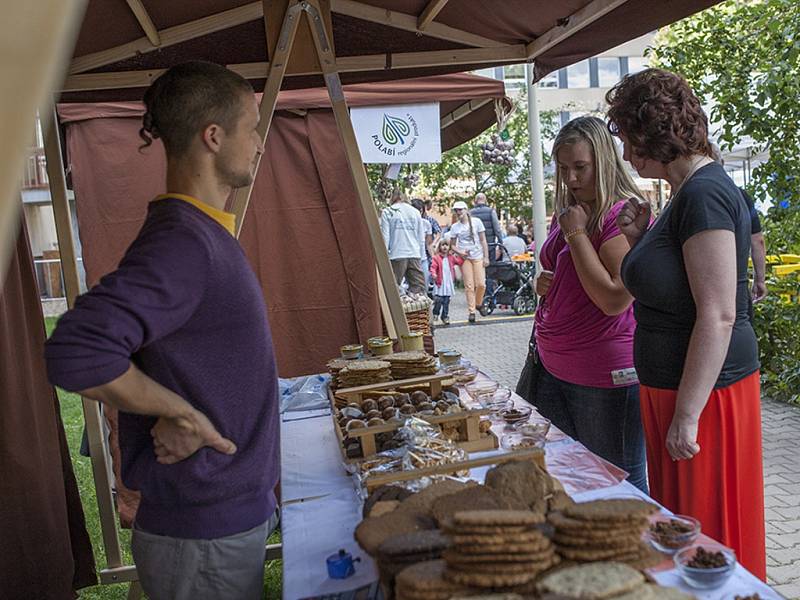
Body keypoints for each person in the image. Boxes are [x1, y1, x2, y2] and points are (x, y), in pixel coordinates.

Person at [44, 61, 280, 599]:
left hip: (218, 522)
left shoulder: (201, 234)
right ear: (213, 136)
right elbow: (75, 350)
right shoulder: (184, 242)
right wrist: (178, 411)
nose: (261, 143)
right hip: (201, 533)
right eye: (254, 125)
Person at [607, 68, 765, 579]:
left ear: (654, 135)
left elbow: (718, 314)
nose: (627, 156)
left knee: (708, 536)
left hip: (703, 396)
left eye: (630, 141)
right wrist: (640, 239)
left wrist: (688, 414)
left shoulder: (704, 194)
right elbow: (674, 287)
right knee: (685, 535)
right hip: (678, 391)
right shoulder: (687, 194)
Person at [521, 116, 648, 493]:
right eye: (563, 169)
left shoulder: (619, 216)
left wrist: (575, 233)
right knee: (575, 480)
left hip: (603, 375)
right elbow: (571, 272)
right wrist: (544, 282)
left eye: (580, 167)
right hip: (559, 368)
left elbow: (613, 298)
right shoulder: (576, 209)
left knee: (618, 485)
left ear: (604, 162)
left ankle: (635, 552)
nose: (571, 179)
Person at [710, 145, 768, 303]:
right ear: (722, 163)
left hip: (707, 285)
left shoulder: (694, 196)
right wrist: (760, 280)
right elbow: (757, 241)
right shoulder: (741, 196)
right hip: (738, 283)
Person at [448, 200, 489, 323]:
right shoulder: (455, 227)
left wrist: (486, 257)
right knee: (469, 285)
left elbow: (483, 240)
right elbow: (452, 245)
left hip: (478, 255)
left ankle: (478, 303)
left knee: (481, 284)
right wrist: (460, 252)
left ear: (466, 210)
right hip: (465, 258)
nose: (458, 212)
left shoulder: (477, 222)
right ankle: (471, 311)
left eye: (460, 209)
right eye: (456, 210)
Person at [379, 189, 426, 295]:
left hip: (397, 254)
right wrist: (421, 256)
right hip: (414, 253)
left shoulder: (388, 211)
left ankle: (397, 311)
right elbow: (420, 237)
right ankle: (419, 310)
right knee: (418, 289)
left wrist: (385, 256)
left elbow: (385, 236)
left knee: (393, 289)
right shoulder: (415, 212)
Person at [430, 239, 456, 325]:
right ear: (440, 247)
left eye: (446, 245)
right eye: (443, 245)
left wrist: (464, 256)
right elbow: (433, 267)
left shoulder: (451, 257)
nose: (445, 247)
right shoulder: (436, 258)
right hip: (440, 281)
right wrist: (433, 273)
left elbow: (459, 261)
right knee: (438, 299)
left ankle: (445, 316)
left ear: (449, 247)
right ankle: (435, 313)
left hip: (448, 282)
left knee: (446, 300)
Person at [470, 192, 503, 262]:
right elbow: (497, 230)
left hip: (475, 247)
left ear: (475, 201)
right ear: (485, 200)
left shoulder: (470, 213)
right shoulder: (491, 211)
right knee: (491, 268)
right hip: (490, 245)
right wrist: (501, 244)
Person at [411, 198, 434, 293]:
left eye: (420, 211)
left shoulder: (426, 224)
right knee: (412, 287)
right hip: (411, 257)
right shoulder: (407, 223)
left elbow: (428, 244)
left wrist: (433, 258)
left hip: (423, 258)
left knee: (424, 285)